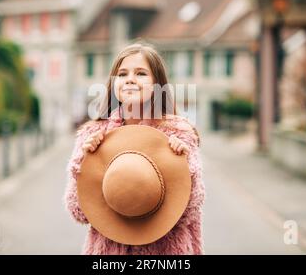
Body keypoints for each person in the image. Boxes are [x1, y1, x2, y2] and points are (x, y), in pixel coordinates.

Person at [63, 42, 205, 254]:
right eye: (122, 74)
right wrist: (84, 163)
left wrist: (184, 167)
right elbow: (78, 212)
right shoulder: (93, 136)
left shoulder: (178, 133)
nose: (130, 79)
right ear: (113, 83)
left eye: (140, 73)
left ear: (158, 83)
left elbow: (190, 212)